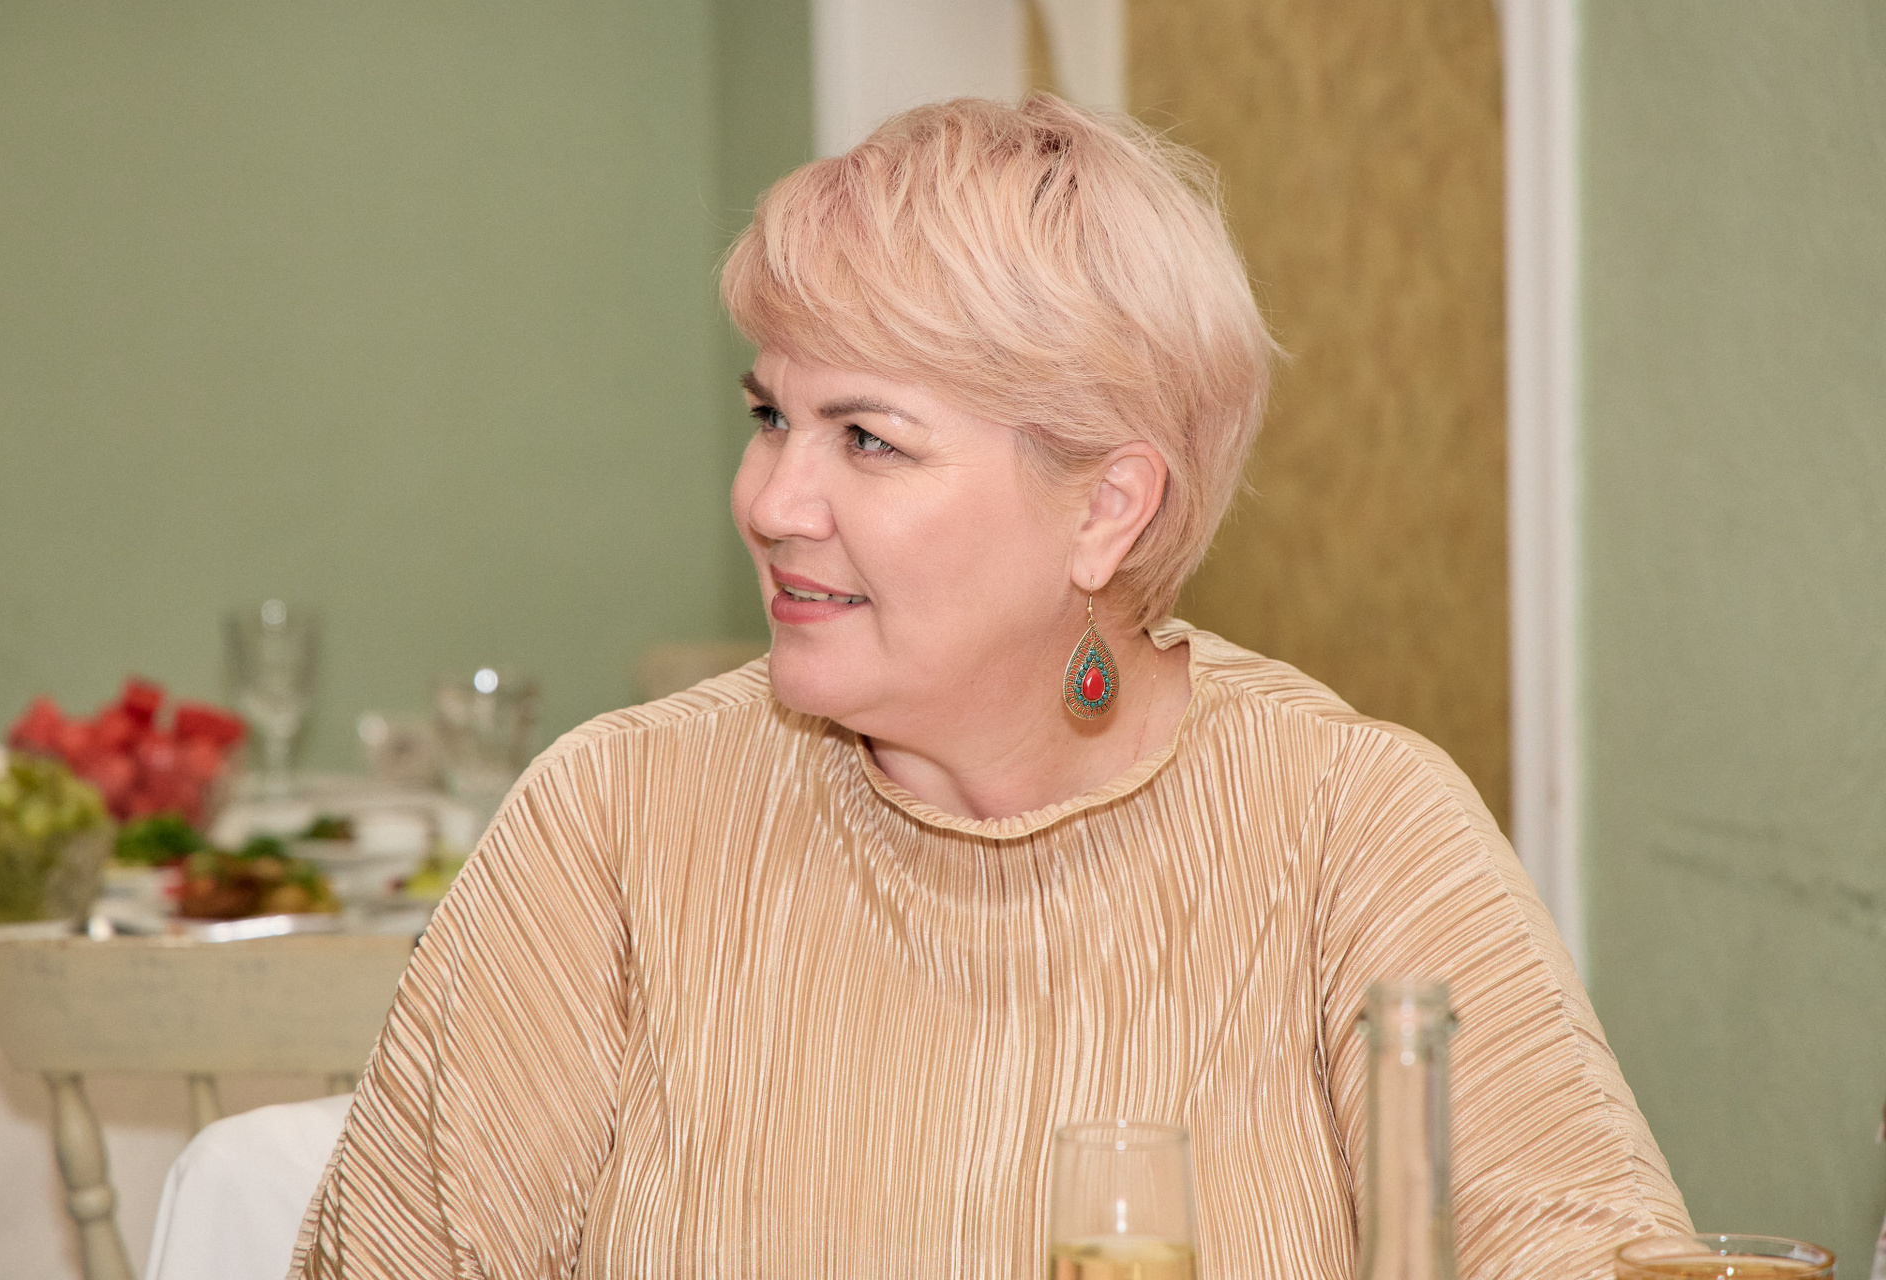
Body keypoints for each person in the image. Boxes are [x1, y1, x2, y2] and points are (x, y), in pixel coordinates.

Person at [291, 95, 1689, 1279]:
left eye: (868, 439)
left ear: (1108, 509)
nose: (771, 502)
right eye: (771, 416)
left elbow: (1580, 1248)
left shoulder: (1349, 826)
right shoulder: (615, 822)